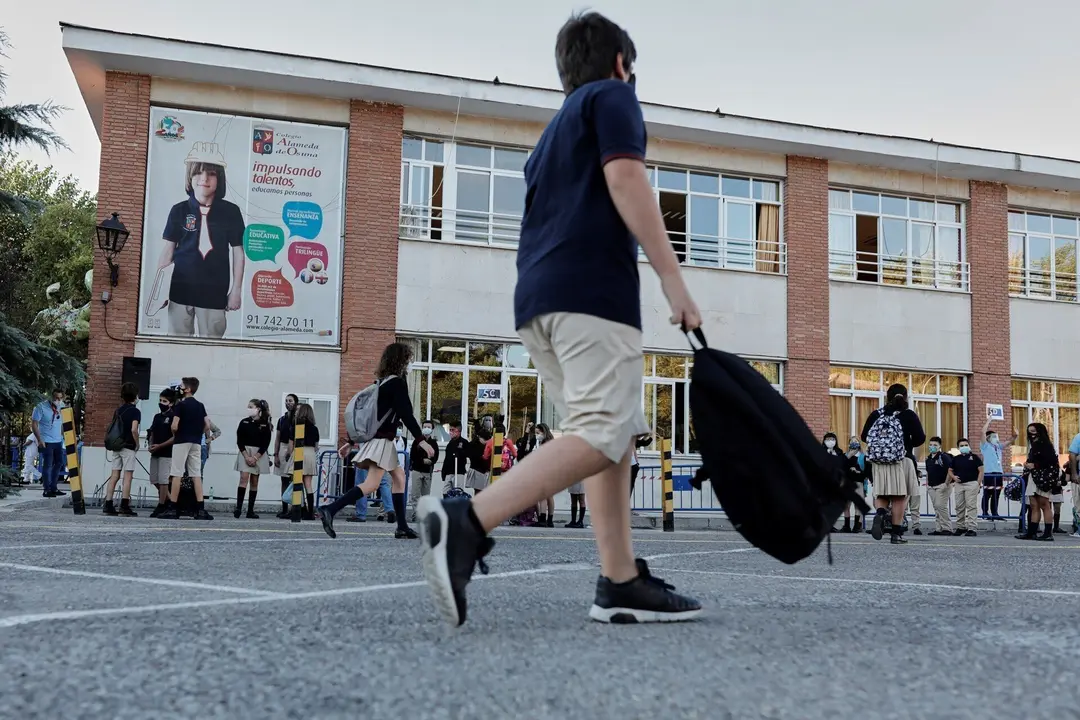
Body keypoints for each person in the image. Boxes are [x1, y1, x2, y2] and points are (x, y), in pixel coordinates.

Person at [415, 12, 703, 627]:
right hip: (592, 296)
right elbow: (627, 178)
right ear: (621, 63)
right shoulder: (613, 97)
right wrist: (672, 278)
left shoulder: (551, 137)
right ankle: (466, 523)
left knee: (607, 435)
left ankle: (620, 580)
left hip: (539, 302)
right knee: (602, 432)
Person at [319, 342, 434, 539]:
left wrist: (351, 442)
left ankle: (402, 527)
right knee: (372, 484)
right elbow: (406, 414)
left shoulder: (382, 383)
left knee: (399, 478)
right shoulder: (397, 383)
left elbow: (370, 418)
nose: (410, 363)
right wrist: (421, 440)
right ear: (401, 360)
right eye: (408, 359)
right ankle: (330, 509)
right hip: (382, 441)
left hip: (379, 440)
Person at [157, 141, 245, 338]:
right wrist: (159, 292)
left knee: (211, 347)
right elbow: (168, 251)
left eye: (211, 173)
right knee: (178, 344)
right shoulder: (179, 210)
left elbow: (238, 252)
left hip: (214, 292)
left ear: (220, 178)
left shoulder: (231, 212)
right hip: (180, 290)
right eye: (198, 172)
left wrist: (236, 290)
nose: (204, 178)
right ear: (190, 176)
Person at [861, 383, 926, 544]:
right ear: (905, 397)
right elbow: (920, 438)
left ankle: (880, 513)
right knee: (899, 497)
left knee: (882, 494)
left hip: (879, 461)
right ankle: (896, 535)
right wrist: (907, 442)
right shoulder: (909, 415)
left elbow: (864, 436)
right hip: (902, 460)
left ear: (887, 397)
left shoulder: (877, 414)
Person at [159, 377, 214, 520]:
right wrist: (197, 433)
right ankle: (200, 508)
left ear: (188, 389)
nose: (180, 388)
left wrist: (176, 433)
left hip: (181, 441)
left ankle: (173, 507)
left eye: (182, 385)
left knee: (177, 473)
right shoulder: (200, 405)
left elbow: (174, 425)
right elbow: (207, 425)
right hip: (196, 442)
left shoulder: (180, 405)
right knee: (196, 474)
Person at [102, 382, 142, 517]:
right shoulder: (135, 411)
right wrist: (137, 443)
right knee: (128, 476)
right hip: (128, 446)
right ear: (135, 396)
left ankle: (108, 503)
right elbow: (134, 429)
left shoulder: (118, 410)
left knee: (114, 475)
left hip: (117, 446)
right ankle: (124, 505)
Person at [1017, 423, 1059, 541]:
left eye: (1034, 431)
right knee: (1033, 505)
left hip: (1043, 477)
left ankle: (1048, 533)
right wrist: (1028, 464)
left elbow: (1051, 461)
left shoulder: (1045, 445)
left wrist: (1035, 465)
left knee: (1044, 504)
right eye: (1029, 432)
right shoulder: (1034, 445)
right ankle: (1032, 532)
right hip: (1033, 476)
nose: (1031, 434)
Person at [234, 399, 272, 519]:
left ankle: (250, 510)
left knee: (254, 481)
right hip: (245, 451)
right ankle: (238, 507)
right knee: (243, 478)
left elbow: (265, 443)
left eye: (251, 407)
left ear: (258, 409)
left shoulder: (265, 424)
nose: (249, 409)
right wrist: (246, 456)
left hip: (258, 453)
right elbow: (239, 440)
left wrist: (255, 457)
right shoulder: (244, 422)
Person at [31, 389, 67, 498]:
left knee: (60, 463)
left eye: (60, 398)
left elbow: (62, 423)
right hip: (46, 440)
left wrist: (63, 436)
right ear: (51, 397)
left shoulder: (62, 406)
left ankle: (54, 487)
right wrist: (39, 439)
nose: (58, 400)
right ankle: (46, 489)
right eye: (56, 398)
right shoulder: (41, 407)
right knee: (48, 465)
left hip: (58, 440)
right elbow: (34, 424)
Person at [147, 388, 178, 517]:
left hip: (166, 452)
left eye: (164, 401)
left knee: (163, 479)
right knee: (154, 479)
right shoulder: (157, 417)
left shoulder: (173, 417)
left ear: (171, 403)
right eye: (160, 400)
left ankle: (161, 504)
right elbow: (152, 432)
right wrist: (151, 443)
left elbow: (175, 437)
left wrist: (160, 446)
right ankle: (169, 501)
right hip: (155, 452)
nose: (161, 403)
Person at [980, 417, 1015, 521]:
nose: (996, 438)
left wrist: (1015, 435)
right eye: (994, 436)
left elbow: (1010, 441)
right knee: (987, 493)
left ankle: (995, 513)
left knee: (996, 494)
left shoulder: (998, 447)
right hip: (989, 473)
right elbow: (982, 432)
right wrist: (988, 421)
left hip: (999, 473)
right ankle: (985, 513)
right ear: (988, 438)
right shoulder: (985, 446)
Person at [292, 403, 320, 520]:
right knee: (308, 484)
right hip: (311, 453)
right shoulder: (314, 428)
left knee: (297, 483)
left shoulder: (297, 426)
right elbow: (316, 446)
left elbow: (292, 443)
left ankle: (300, 510)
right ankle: (310, 512)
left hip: (300, 452)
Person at [408, 420, 440, 520]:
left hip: (428, 471)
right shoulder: (417, 441)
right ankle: (416, 513)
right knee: (415, 494)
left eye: (428, 427)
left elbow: (435, 457)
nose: (426, 429)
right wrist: (422, 460)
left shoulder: (434, 443)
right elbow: (413, 456)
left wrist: (430, 461)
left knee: (426, 495)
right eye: (425, 427)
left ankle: (424, 514)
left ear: (432, 429)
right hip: (417, 470)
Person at [950, 438, 983, 536]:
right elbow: (950, 470)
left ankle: (972, 528)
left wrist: (978, 484)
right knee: (959, 506)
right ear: (958, 448)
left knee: (971, 506)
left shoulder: (974, 457)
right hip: (959, 485)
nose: (964, 447)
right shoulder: (956, 458)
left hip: (971, 484)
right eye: (961, 446)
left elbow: (981, 470)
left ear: (969, 446)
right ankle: (961, 527)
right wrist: (953, 477)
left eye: (965, 445)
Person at [924, 437, 955, 536]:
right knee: (936, 507)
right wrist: (927, 484)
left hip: (942, 485)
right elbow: (928, 472)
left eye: (935, 445)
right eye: (930, 445)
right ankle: (939, 528)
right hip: (932, 486)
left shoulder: (943, 457)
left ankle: (947, 528)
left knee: (940, 506)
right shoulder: (928, 459)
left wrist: (946, 484)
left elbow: (950, 470)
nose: (932, 447)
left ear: (939, 446)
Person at [273, 394, 298, 519]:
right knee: (284, 479)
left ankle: (295, 508)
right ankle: (284, 508)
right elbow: (277, 438)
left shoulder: (298, 418)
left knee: (294, 479)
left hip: (295, 448)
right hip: (283, 447)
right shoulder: (282, 420)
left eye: (291, 400)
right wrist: (276, 455)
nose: (288, 403)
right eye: (286, 401)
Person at [838, 436, 867, 533]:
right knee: (846, 505)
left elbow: (866, 472)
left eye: (856, 441)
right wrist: (849, 456)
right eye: (852, 441)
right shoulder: (845, 455)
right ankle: (846, 526)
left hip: (858, 483)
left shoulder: (863, 457)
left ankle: (856, 526)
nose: (854, 443)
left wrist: (858, 471)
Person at [534, 423, 556, 527]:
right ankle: (550, 520)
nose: (537, 435)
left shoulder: (546, 443)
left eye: (538, 433)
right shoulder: (550, 441)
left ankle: (542, 519)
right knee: (549, 497)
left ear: (543, 431)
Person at [441, 421, 470, 494]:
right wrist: (443, 472)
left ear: (458, 431)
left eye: (453, 430)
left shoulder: (464, 442)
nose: (451, 432)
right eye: (450, 430)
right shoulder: (449, 444)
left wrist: (460, 452)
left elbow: (468, 454)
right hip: (448, 473)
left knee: (457, 493)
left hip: (458, 472)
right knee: (446, 493)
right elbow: (446, 459)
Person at [465, 419, 492, 495]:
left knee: (480, 492)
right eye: (485, 440)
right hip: (478, 470)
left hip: (482, 470)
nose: (486, 442)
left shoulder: (478, 444)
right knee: (479, 492)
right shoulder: (474, 446)